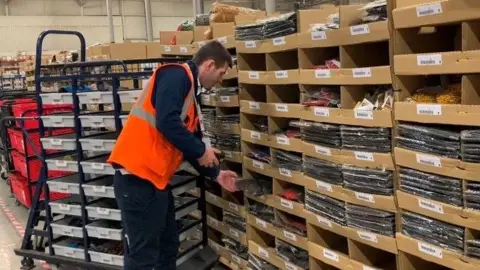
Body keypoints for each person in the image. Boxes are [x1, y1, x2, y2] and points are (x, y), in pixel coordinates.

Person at [108, 40, 238, 270]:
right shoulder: (176, 76)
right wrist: (201, 150)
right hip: (137, 178)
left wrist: (216, 173)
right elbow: (167, 123)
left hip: (154, 179)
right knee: (143, 257)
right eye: (221, 72)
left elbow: (189, 142)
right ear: (208, 65)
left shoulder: (190, 93)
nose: (221, 80)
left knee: (168, 245)